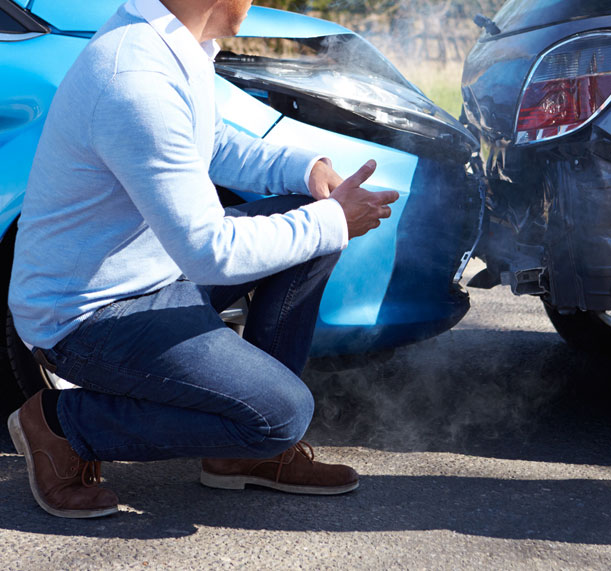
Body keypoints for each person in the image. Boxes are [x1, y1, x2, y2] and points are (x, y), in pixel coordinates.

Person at [5, 0, 399, 519]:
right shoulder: (134, 77)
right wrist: (334, 221)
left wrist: (308, 172)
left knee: (312, 214)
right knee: (284, 413)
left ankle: (243, 452)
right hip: (88, 318)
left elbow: (208, 144)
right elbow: (210, 253)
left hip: (155, 277)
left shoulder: (172, 44)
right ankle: (61, 424)